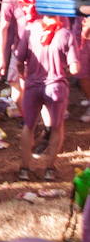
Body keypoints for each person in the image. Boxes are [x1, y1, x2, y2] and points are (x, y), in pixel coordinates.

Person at [15, 11, 79, 181]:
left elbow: (19, 60)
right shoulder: (65, 34)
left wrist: (24, 75)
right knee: (57, 127)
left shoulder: (30, 30)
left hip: (33, 85)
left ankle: (24, 168)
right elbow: (75, 69)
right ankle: (49, 169)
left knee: (29, 126)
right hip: (56, 86)